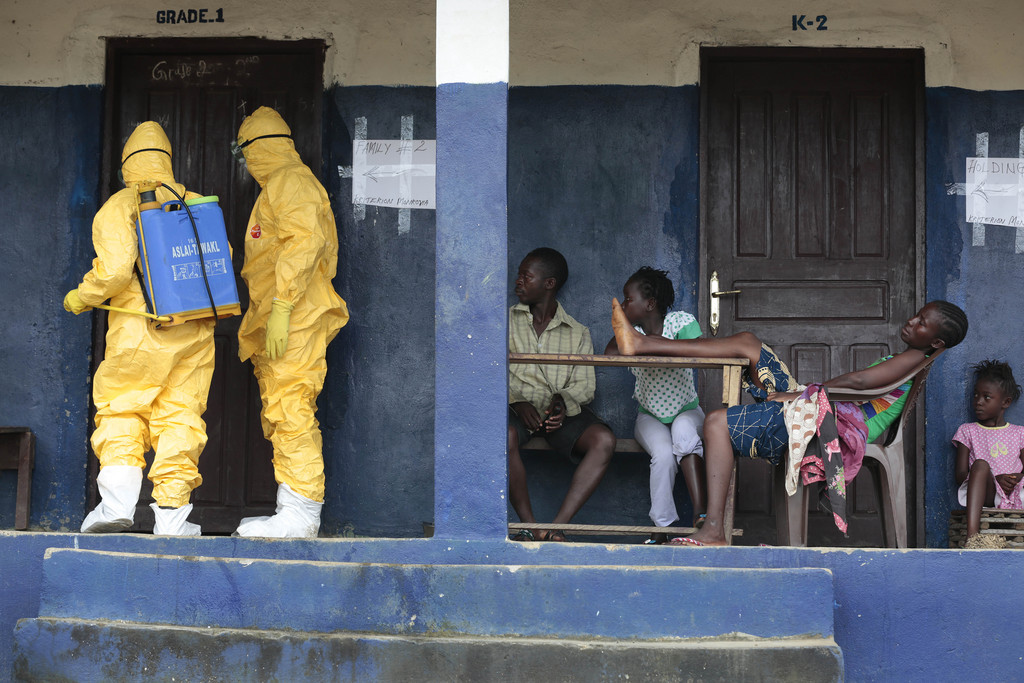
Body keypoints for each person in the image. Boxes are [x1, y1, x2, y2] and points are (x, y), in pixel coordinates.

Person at [612, 298, 969, 546]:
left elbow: (860, 385)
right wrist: (803, 395)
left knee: (717, 422)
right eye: (917, 315)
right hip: (817, 409)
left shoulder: (912, 358)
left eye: (921, 323)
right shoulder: (914, 358)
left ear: (935, 341)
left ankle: (713, 530)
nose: (912, 321)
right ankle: (643, 344)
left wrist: (801, 396)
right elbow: (857, 388)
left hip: (822, 421)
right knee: (749, 344)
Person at [63, 121, 214, 536]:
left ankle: (115, 507)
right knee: (181, 416)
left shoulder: (120, 205)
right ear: (167, 161)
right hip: (194, 329)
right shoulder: (198, 204)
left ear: (128, 163)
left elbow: (113, 271)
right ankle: (171, 519)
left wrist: (82, 295)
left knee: (122, 408)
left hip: (137, 328)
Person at [232, 106, 349, 538]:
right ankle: (292, 507)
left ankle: (301, 514)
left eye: (243, 152)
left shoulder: (289, 182)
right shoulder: (279, 186)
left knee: (292, 406)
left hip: (296, 314)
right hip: (285, 314)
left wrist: (282, 306)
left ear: (256, 148)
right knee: (285, 408)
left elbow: (305, 243)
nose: (243, 163)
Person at [508, 248, 616, 542]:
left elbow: (585, 385)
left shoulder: (577, 331)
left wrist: (562, 405)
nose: (517, 282)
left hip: (559, 416)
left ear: (549, 284)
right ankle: (529, 526)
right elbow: (490, 372)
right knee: (502, 436)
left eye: (525, 277)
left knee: (603, 441)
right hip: (518, 409)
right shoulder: (505, 322)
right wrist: (515, 401)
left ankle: (556, 528)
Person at [604, 267, 706, 544]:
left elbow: (700, 349)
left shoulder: (680, 322)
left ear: (649, 304)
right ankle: (662, 527)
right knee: (661, 454)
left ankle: (701, 513)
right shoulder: (631, 333)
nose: (624, 305)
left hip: (687, 409)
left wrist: (644, 343)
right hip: (650, 416)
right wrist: (628, 331)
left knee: (684, 436)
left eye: (629, 299)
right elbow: (610, 353)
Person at [953, 360, 1024, 542]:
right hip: (986, 493)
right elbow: (961, 475)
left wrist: (1013, 478)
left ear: (1005, 402)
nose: (978, 402)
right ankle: (973, 539)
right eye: (976, 395)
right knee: (981, 465)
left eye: (986, 397)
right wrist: (993, 479)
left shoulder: (1019, 433)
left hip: (1015, 493)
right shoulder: (967, 430)